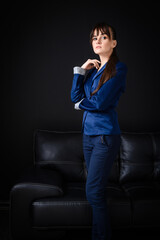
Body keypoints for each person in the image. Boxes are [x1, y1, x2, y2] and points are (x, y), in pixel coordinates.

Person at [71, 22, 127, 240]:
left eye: (103, 37)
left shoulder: (119, 69)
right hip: (89, 136)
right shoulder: (93, 72)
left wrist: (81, 103)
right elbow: (75, 97)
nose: (98, 41)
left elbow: (100, 103)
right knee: (94, 192)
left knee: (93, 192)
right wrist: (81, 71)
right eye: (94, 38)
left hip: (105, 136)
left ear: (113, 43)